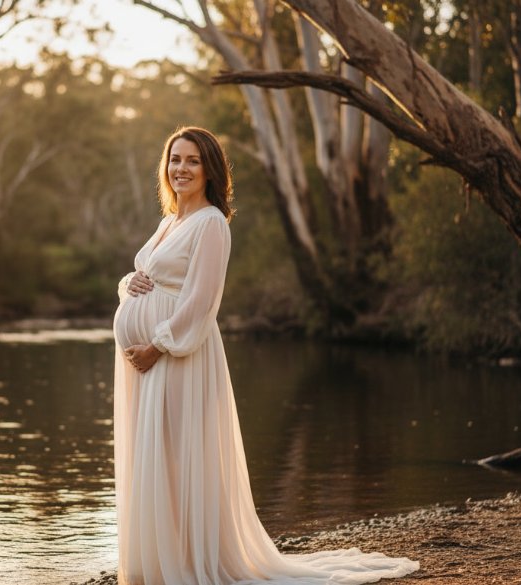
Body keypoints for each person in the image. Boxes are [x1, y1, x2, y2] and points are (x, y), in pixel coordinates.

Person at [112, 126, 419, 584]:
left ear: (210, 169)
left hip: (176, 356)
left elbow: (202, 301)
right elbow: (147, 278)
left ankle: (191, 562)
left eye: (192, 160)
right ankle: (159, 559)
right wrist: (127, 285)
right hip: (149, 360)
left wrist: (157, 344)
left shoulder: (212, 223)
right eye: (175, 159)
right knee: (158, 457)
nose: (181, 168)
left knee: (180, 457)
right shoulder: (168, 221)